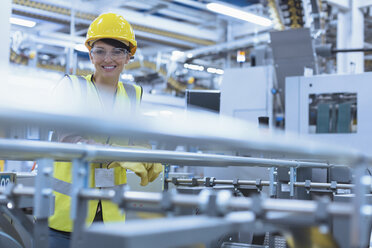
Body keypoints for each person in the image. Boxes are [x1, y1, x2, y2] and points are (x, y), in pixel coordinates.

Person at [48, 13, 162, 248]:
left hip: (111, 217)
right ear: (90, 54)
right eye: (100, 50)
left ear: (128, 56)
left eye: (117, 51)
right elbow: (70, 140)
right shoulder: (71, 87)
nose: (107, 58)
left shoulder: (134, 94)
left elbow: (135, 140)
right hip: (67, 218)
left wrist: (149, 155)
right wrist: (119, 155)